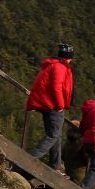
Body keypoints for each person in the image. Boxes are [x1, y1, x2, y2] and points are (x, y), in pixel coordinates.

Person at [27, 43, 74, 175]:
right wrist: (60, 105)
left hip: (44, 103)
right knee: (53, 135)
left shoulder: (52, 64)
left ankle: (56, 165)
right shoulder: (60, 67)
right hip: (52, 105)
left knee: (56, 134)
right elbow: (56, 87)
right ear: (68, 58)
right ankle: (29, 158)